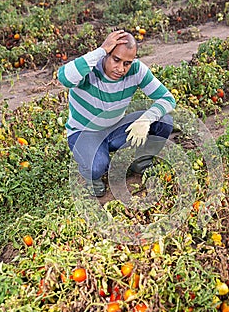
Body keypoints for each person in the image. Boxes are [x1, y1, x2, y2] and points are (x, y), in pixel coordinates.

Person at [57, 30, 176, 197]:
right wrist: (101, 50)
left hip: (115, 129)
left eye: (127, 63)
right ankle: (91, 173)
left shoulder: (136, 70)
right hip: (85, 132)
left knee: (164, 121)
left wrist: (146, 120)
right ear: (107, 54)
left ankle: (140, 161)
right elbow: (63, 77)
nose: (121, 68)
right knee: (97, 166)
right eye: (116, 60)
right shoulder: (88, 70)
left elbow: (168, 99)